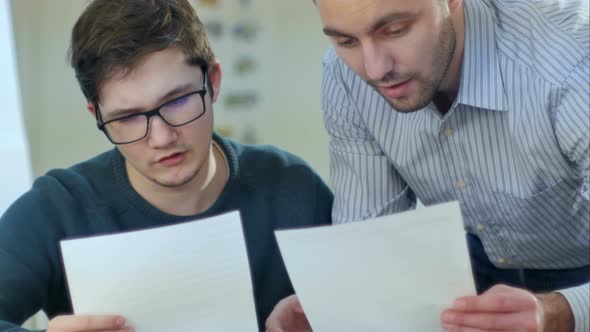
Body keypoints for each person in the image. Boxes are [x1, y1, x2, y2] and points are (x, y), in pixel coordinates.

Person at [0, 1, 333, 332]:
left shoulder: (294, 188)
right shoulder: (58, 209)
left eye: (177, 101)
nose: (161, 137)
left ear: (213, 80)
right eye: (128, 117)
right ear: (96, 115)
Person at [266, 0, 589, 331]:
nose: (375, 70)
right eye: (346, 41)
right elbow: (370, 240)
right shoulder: (344, 77)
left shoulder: (570, 62)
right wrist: (338, 300)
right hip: (469, 261)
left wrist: (560, 312)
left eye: (395, 30)